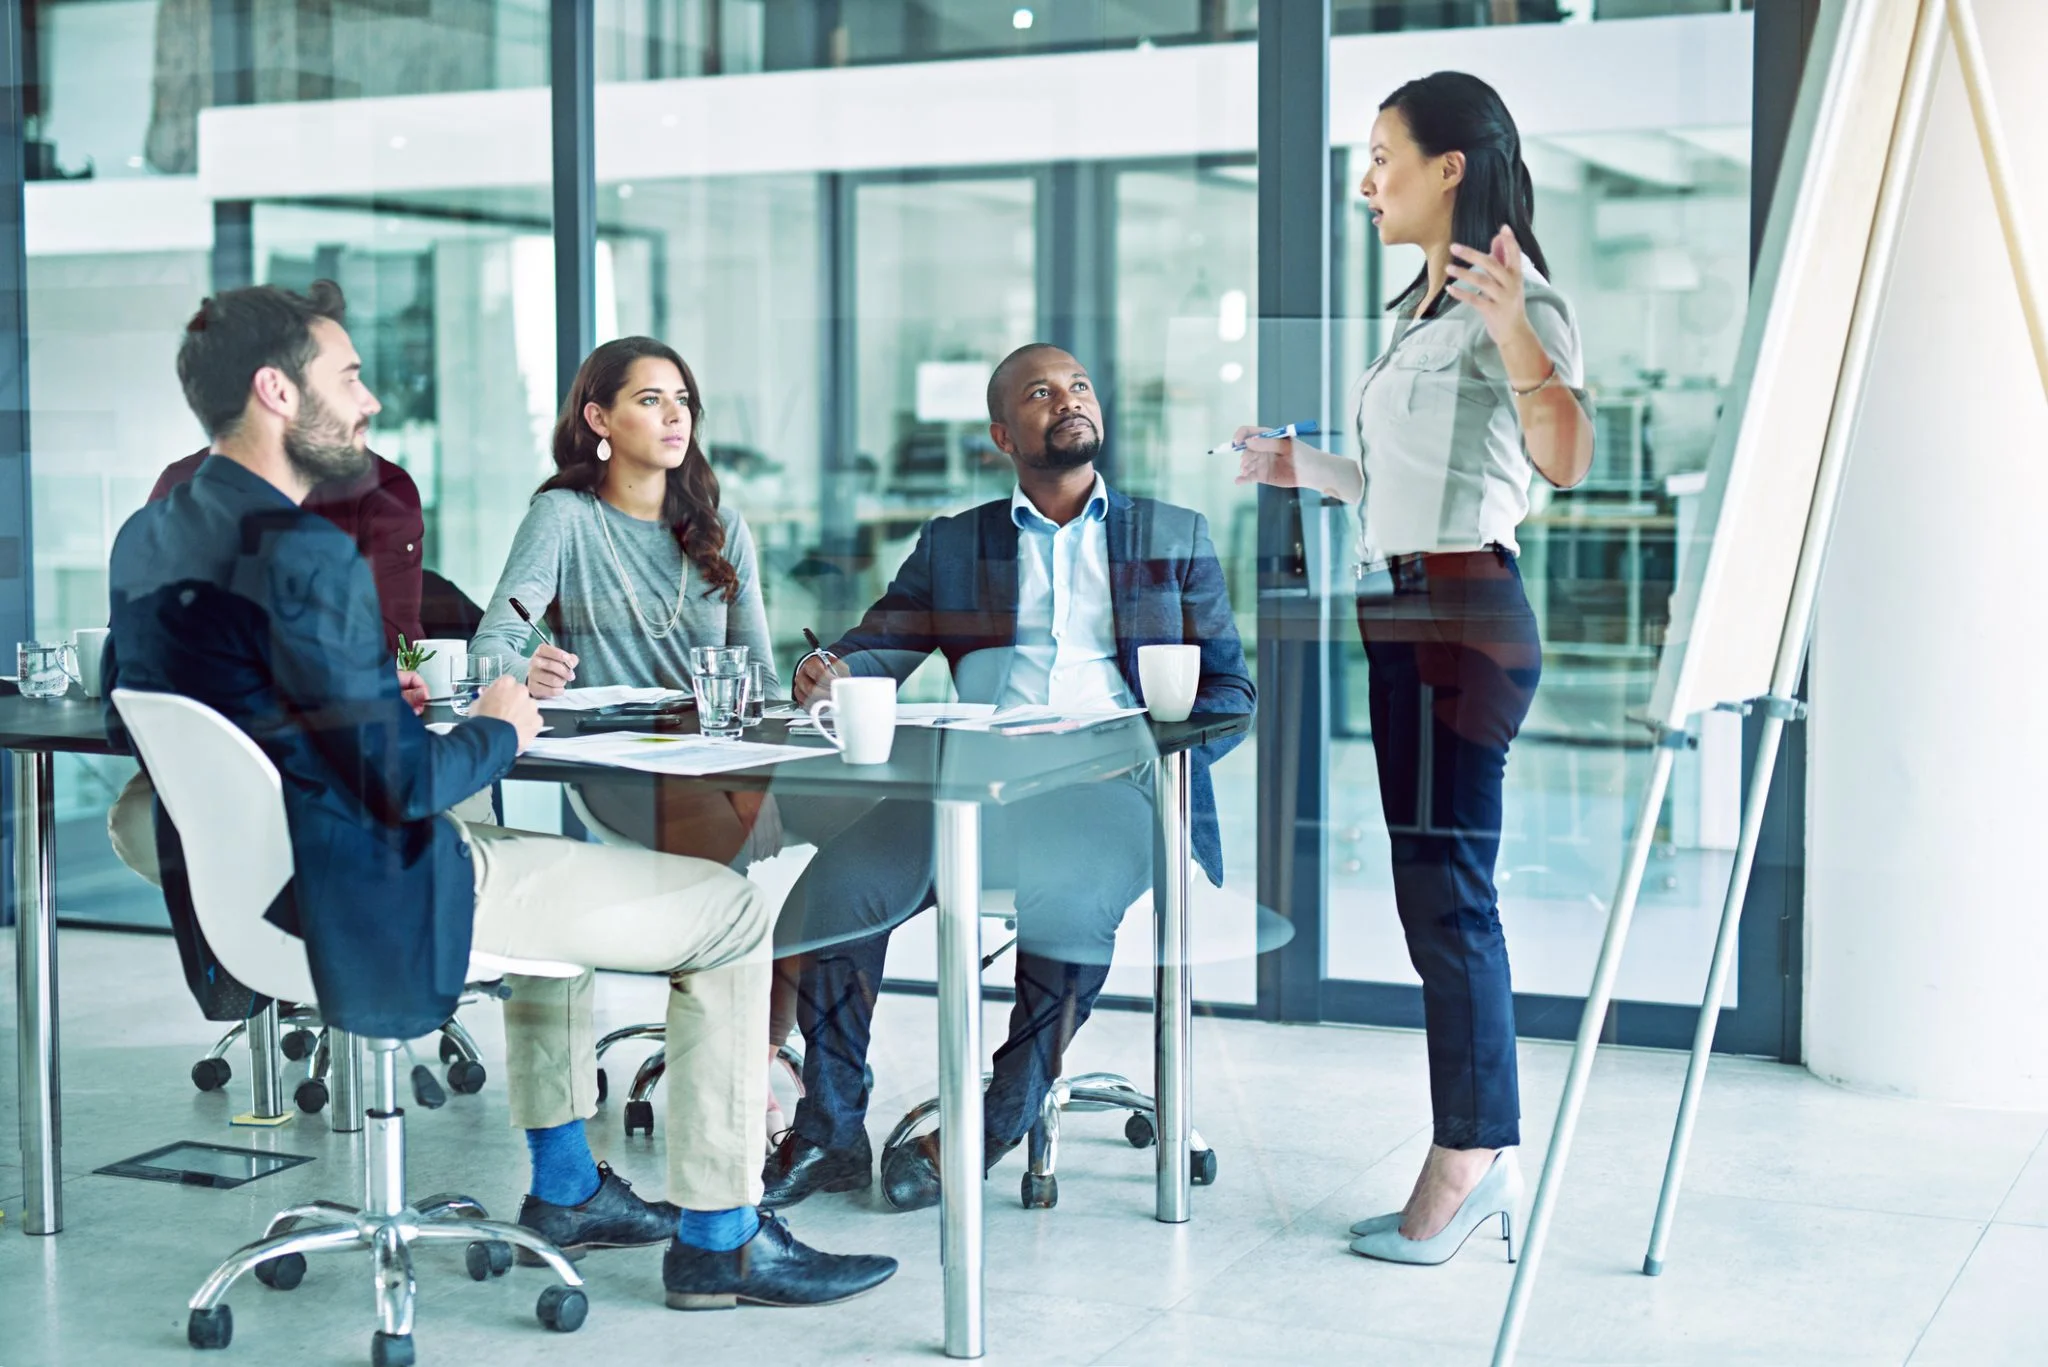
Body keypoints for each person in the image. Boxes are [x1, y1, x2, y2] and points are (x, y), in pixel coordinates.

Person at [104, 280, 896, 1309]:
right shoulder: (306, 554)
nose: (371, 402)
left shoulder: (147, 534)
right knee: (736, 911)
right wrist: (501, 723)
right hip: (368, 886)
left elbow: (146, 716)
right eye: (348, 375)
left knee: (541, 866)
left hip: (259, 892)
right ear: (275, 391)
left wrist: (334, 702)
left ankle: (569, 1187)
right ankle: (721, 1237)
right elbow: (406, 779)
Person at [1233, 71, 1593, 1265]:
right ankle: (1468, 1143)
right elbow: (1402, 487)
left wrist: (1511, 333)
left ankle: (1472, 1154)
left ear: (1450, 166)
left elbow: (1565, 455)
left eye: (1383, 153)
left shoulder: (1516, 300)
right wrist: (1307, 469)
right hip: (1402, 602)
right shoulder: (1418, 312)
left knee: (1449, 899)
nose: (1364, 177)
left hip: (1458, 611)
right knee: (1428, 894)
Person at [761, 343, 1255, 1212]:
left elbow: (1231, 695)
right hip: (976, 788)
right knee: (830, 897)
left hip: (1112, 789)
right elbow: (883, 638)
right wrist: (831, 665)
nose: (1068, 400)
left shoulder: (1173, 535)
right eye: (1040, 391)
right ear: (1002, 433)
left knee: (1066, 901)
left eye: (1079, 387)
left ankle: (989, 1124)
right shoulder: (957, 545)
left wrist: (1152, 749)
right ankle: (831, 1129)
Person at [107, 447, 427, 885]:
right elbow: (132, 645)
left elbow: (392, 643)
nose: (367, 402)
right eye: (347, 378)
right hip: (259, 763)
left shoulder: (377, 489)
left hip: (308, 759)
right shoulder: (182, 485)